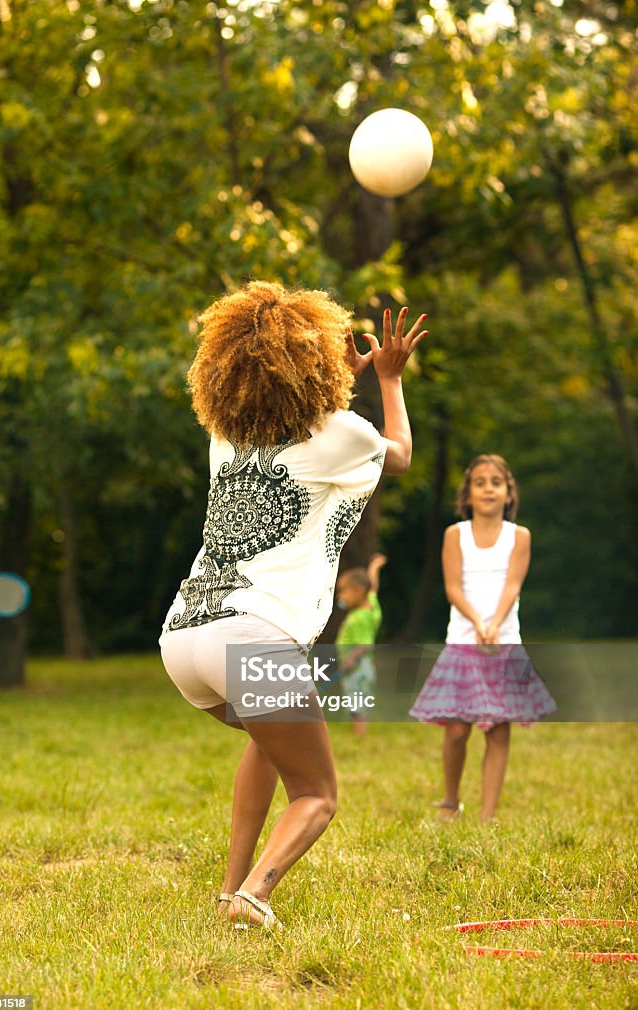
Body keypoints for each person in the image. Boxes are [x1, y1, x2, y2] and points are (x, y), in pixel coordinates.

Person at [159, 280, 427, 928]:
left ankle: (229, 889)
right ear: (316, 367)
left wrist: (337, 380)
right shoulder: (342, 431)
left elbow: (304, 427)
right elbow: (399, 454)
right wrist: (387, 378)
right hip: (253, 638)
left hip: (185, 637)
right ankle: (256, 894)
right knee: (317, 792)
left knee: (269, 745)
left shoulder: (224, 435)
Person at [409, 454, 556, 823]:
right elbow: (453, 588)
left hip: (503, 643)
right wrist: (477, 622)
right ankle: (450, 800)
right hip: (462, 641)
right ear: (468, 493)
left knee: (499, 731)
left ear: (508, 492)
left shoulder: (519, 536)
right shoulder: (455, 534)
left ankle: (487, 816)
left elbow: (513, 584)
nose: (488, 488)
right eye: (480, 482)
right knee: (457, 729)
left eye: (496, 482)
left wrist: (494, 624)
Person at [335, 553, 387, 737]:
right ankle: (358, 733)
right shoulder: (370, 605)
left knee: (357, 704)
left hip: (357, 668)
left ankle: (360, 736)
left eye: (343, 591)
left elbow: (365, 644)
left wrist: (349, 660)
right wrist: (374, 567)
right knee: (355, 701)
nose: (340, 596)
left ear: (357, 590)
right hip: (360, 667)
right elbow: (373, 587)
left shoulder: (360, 618)